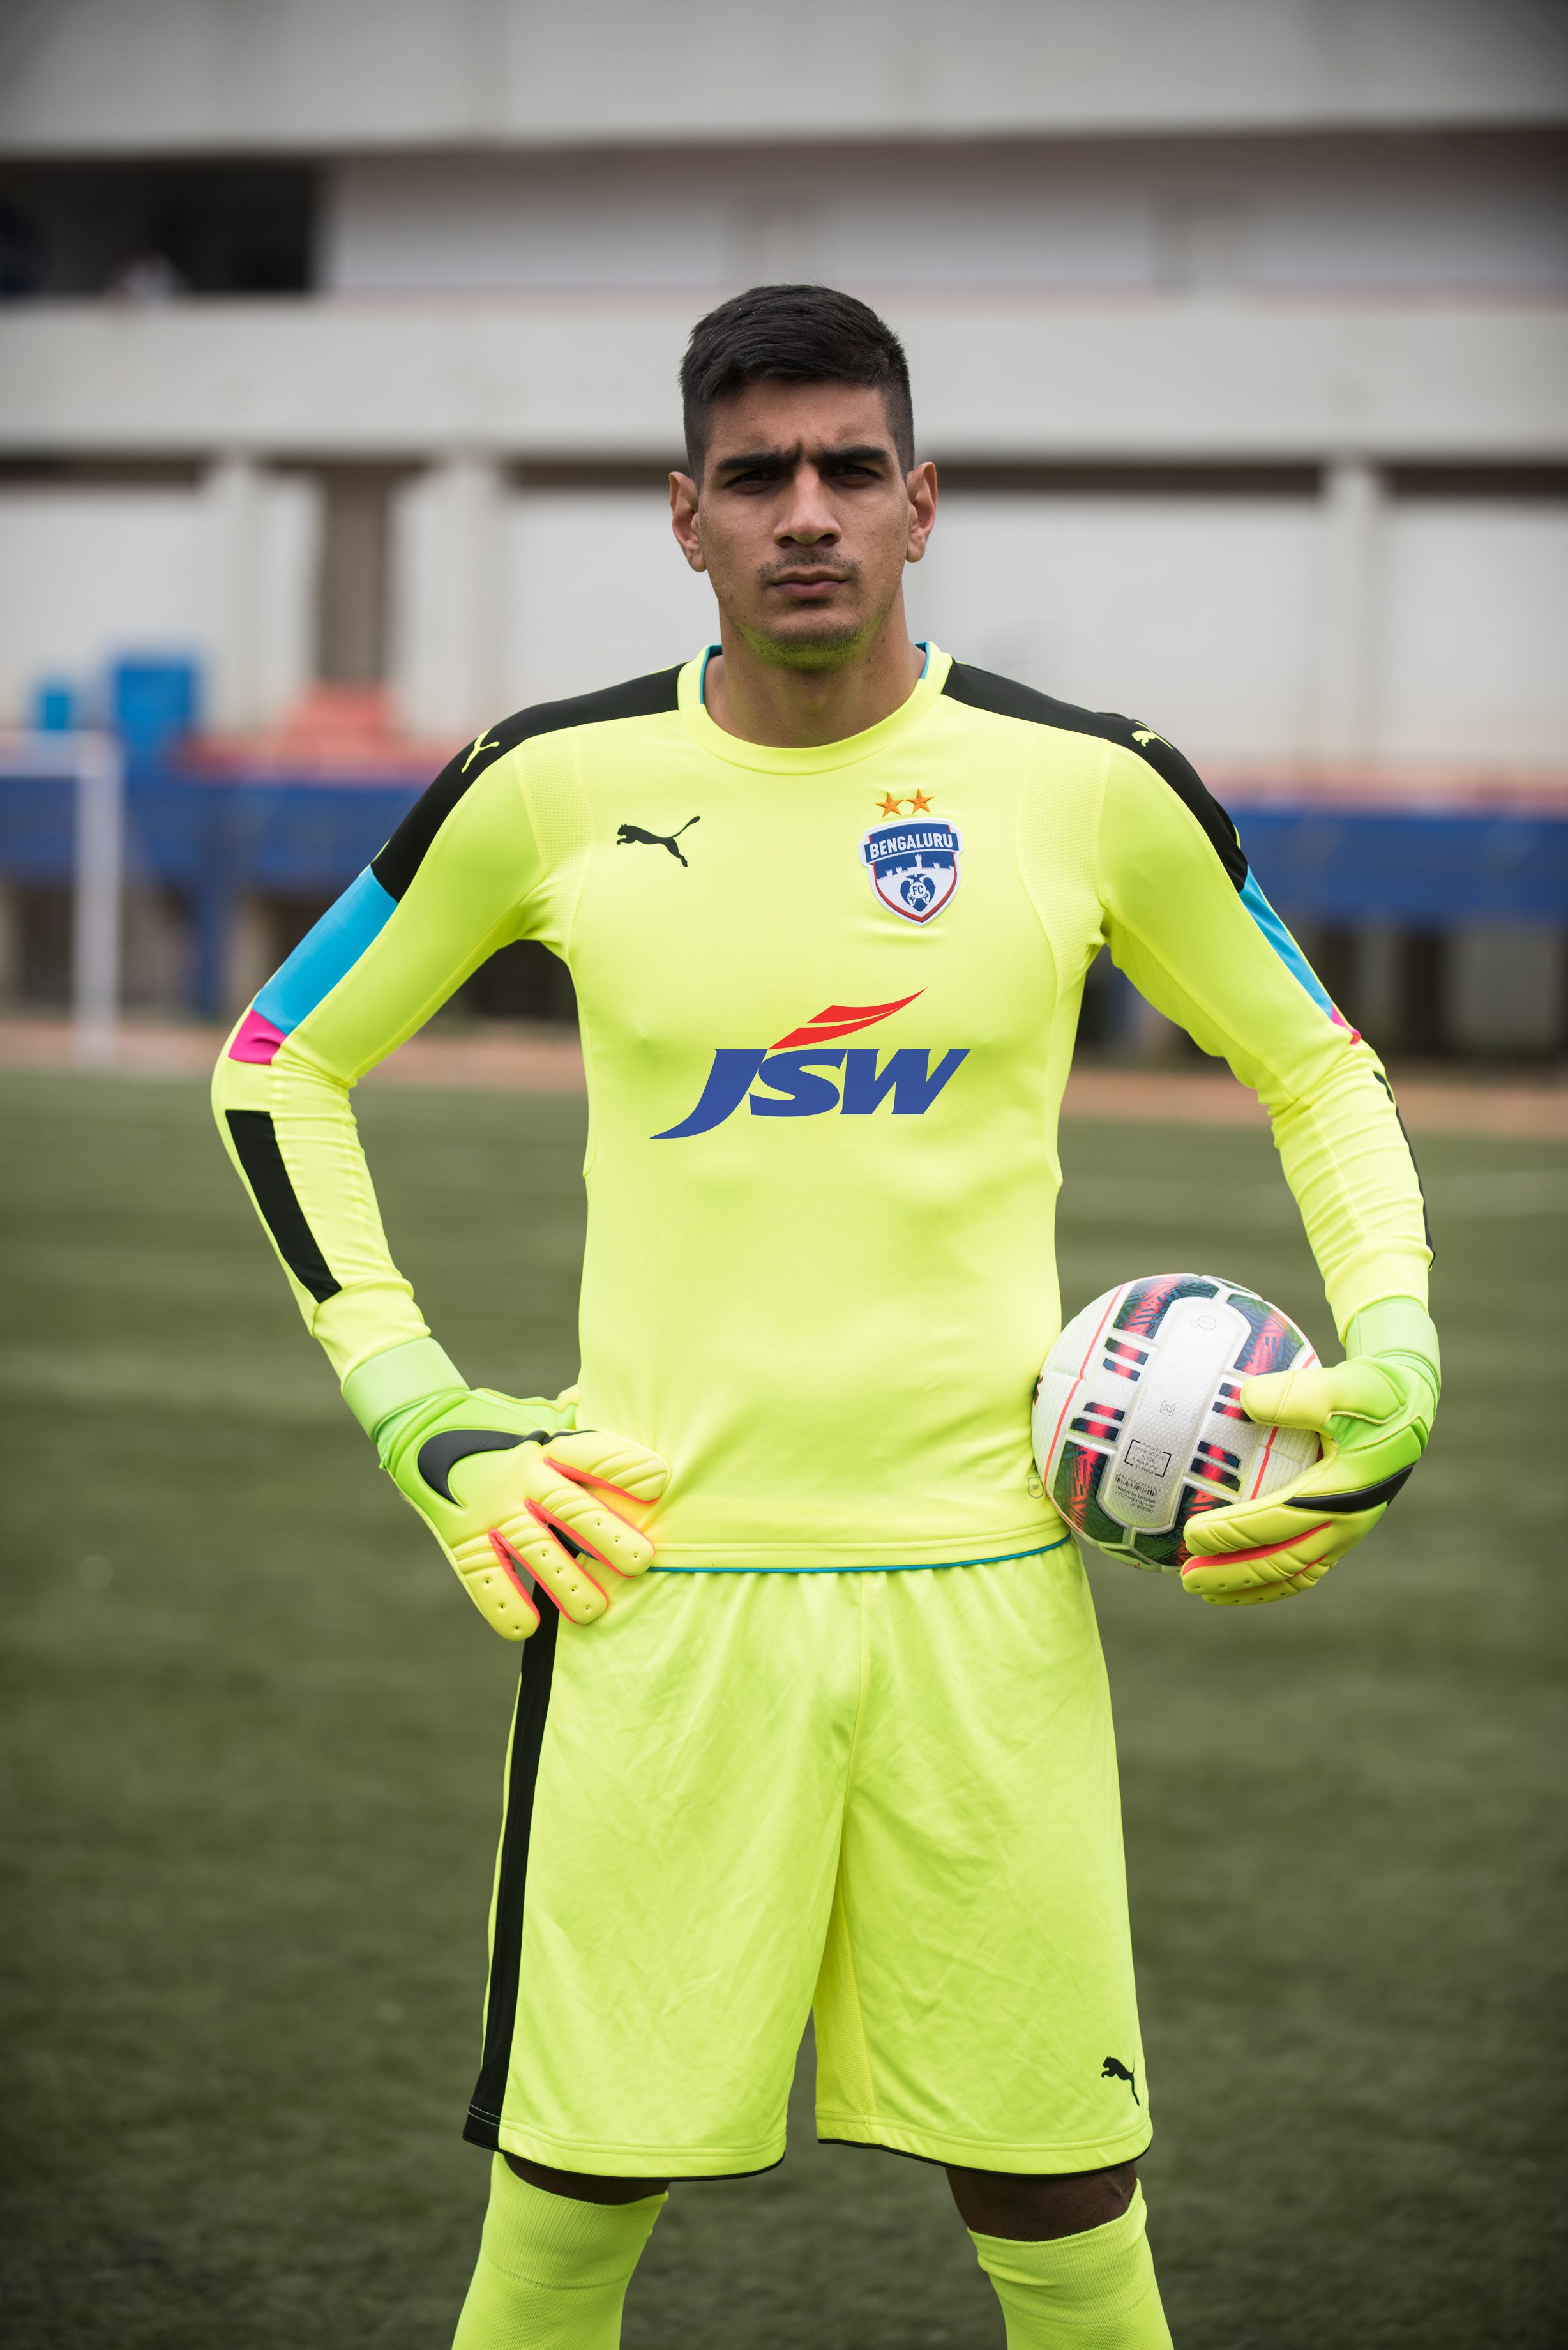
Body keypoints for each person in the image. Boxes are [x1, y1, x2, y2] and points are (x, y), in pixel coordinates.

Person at [213, 284, 1438, 2349]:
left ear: (920, 502)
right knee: (573, 2193)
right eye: (759, 474)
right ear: (682, 516)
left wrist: (1395, 1347)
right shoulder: (544, 782)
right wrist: (418, 1410)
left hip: (988, 1586)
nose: (809, 513)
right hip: (658, 1589)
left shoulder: (1089, 784)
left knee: (1064, 2188)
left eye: (849, 469)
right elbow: (273, 1058)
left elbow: (1321, 1067)